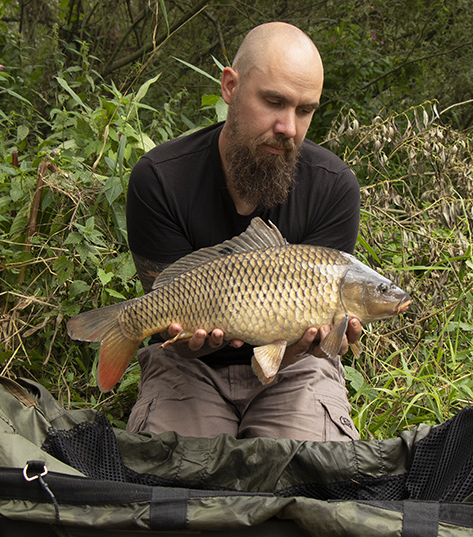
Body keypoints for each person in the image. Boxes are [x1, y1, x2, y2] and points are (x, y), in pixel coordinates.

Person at [124, 22, 362, 441]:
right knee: (179, 491)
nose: (288, 126)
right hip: (189, 366)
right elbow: (166, 318)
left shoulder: (334, 186)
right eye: (274, 101)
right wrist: (183, 336)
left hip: (294, 368)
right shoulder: (159, 179)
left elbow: (321, 343)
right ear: (230, 87)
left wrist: (325, 343)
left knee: (308, 485)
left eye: (304, 110)